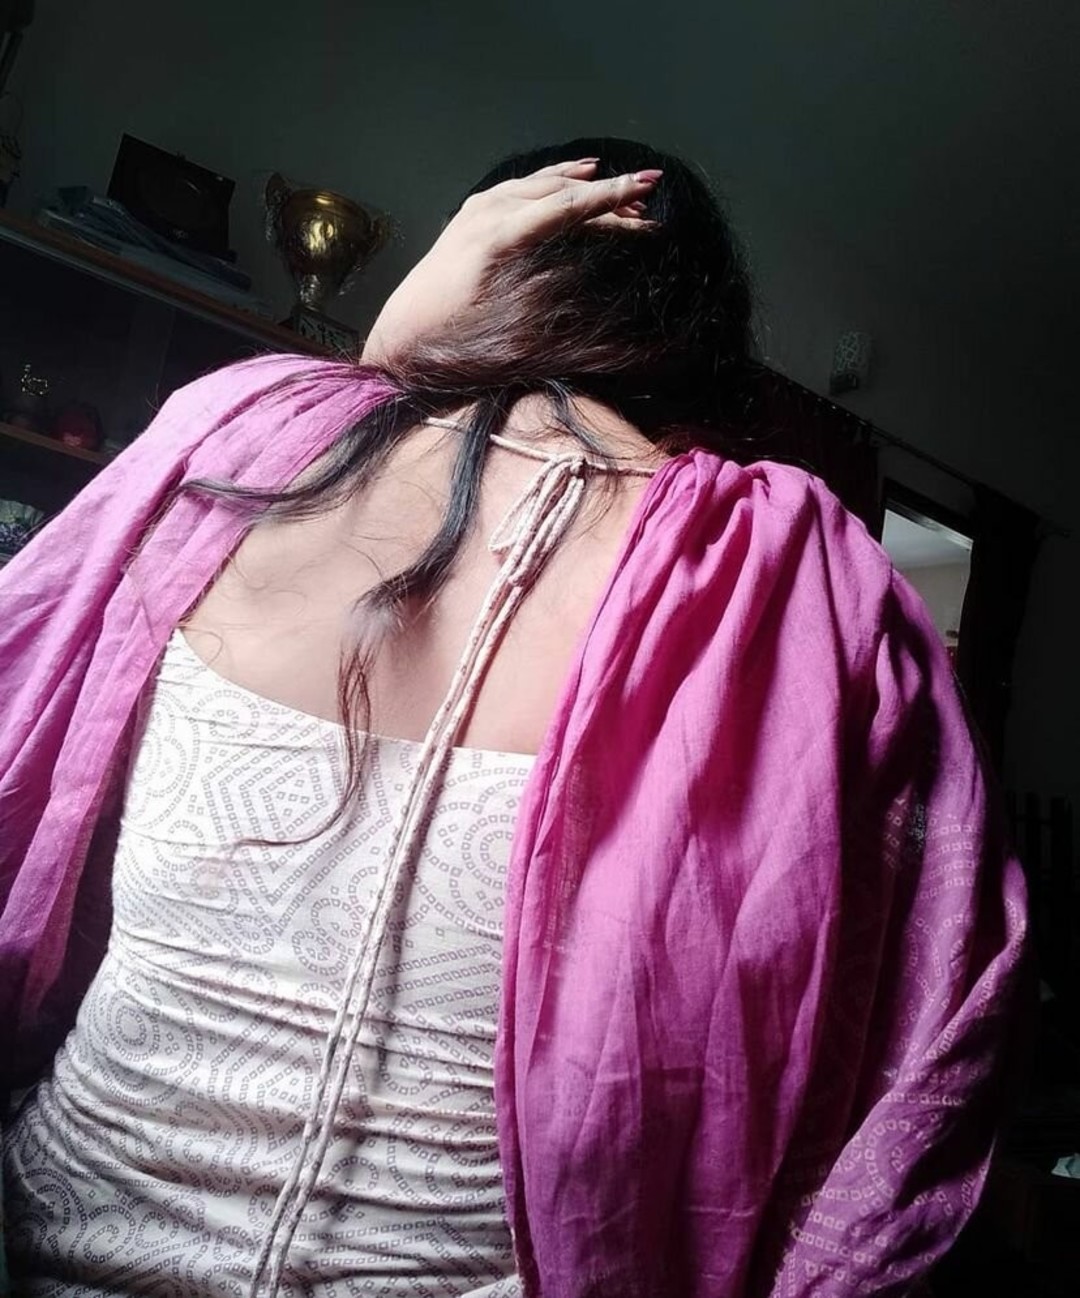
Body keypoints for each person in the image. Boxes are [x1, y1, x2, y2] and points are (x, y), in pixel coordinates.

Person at [0, 139, 1028, 1298]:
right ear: (702, 337)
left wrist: (394, 351)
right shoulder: (798, 569)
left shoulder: (245, 429)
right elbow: (932, 1027)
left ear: (471, 271)